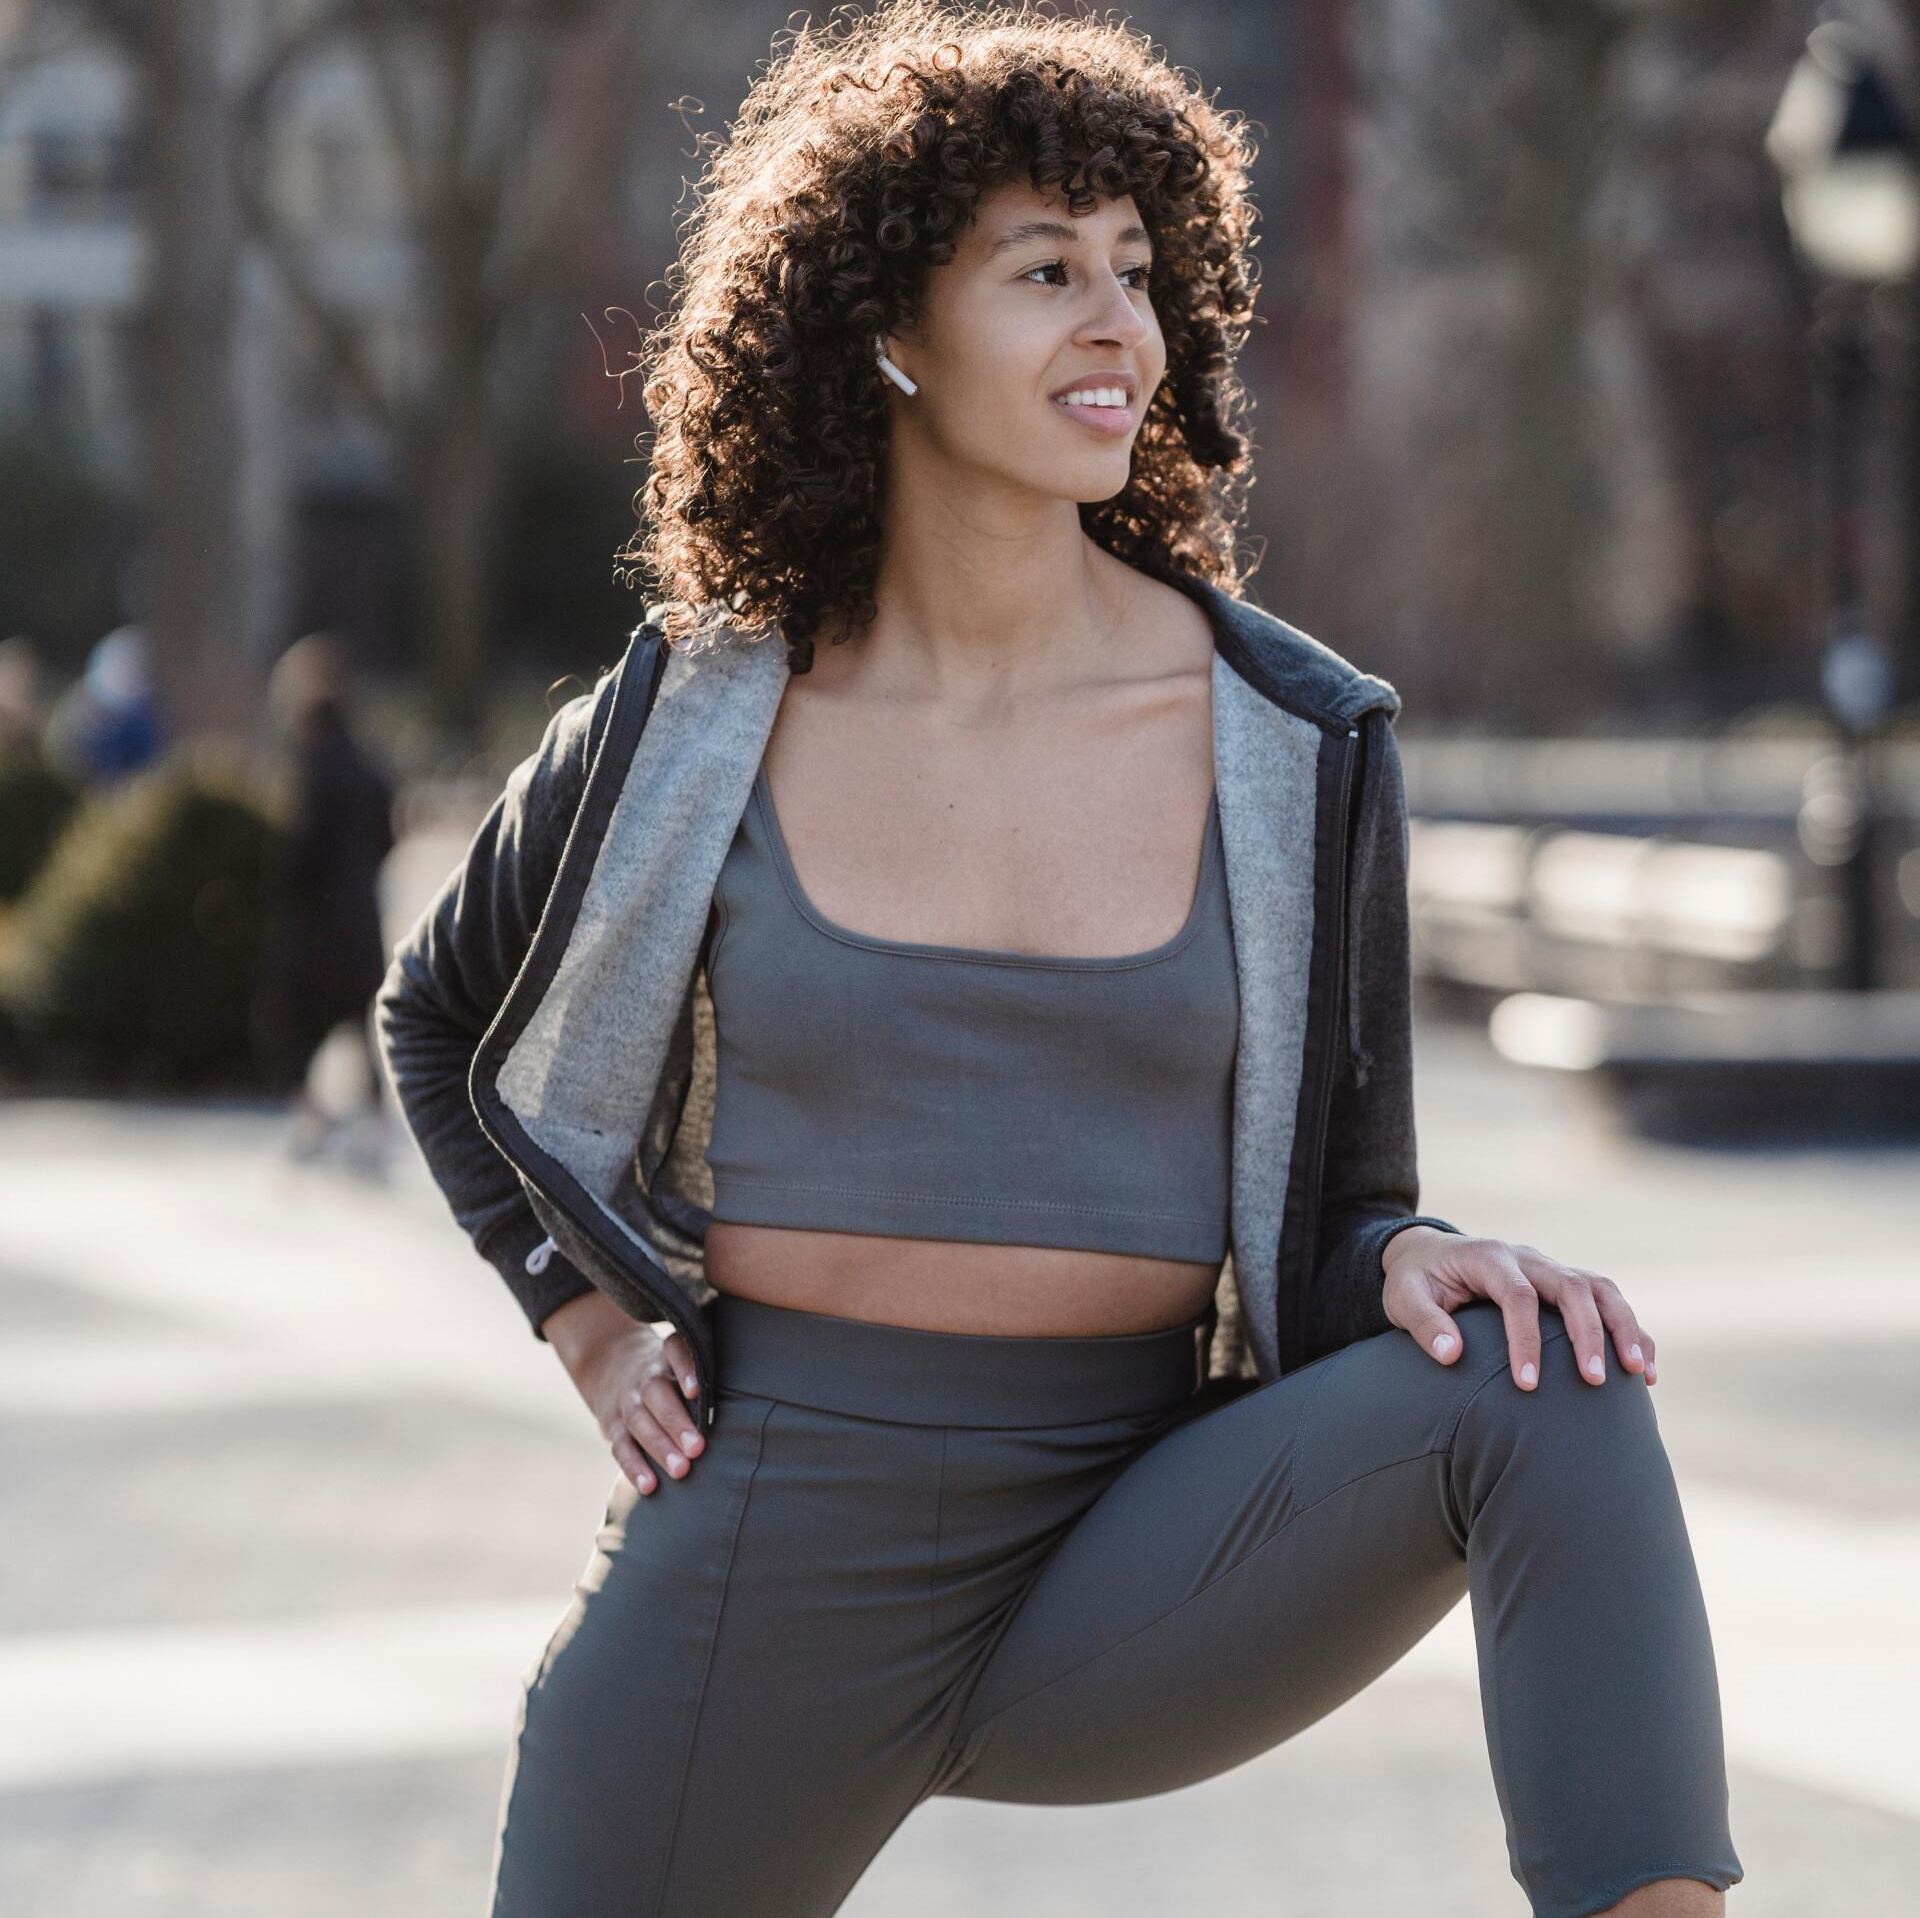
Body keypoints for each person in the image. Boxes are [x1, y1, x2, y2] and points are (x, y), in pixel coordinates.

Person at [375, 5, 1744, 1914]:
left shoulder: (1294, 736)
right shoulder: (695, 714)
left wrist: (1419, 1256)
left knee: (1555, 1375)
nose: (1120, 323)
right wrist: (588, 1318)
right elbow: (437, 1013)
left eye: (1139, 271)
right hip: (769, 1549)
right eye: (1045, 272)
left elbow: (1341, 1206)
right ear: (885, 328)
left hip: (1142, 1539)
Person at [257, 629, 397, 1170]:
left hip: (313, 923)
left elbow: (299, 849)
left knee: (288, 1023)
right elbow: (388, 830)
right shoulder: (366, 766)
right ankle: (373, 1120)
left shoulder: (310, 770)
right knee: (363, 1024)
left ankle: (313, 1114)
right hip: (359, 916)